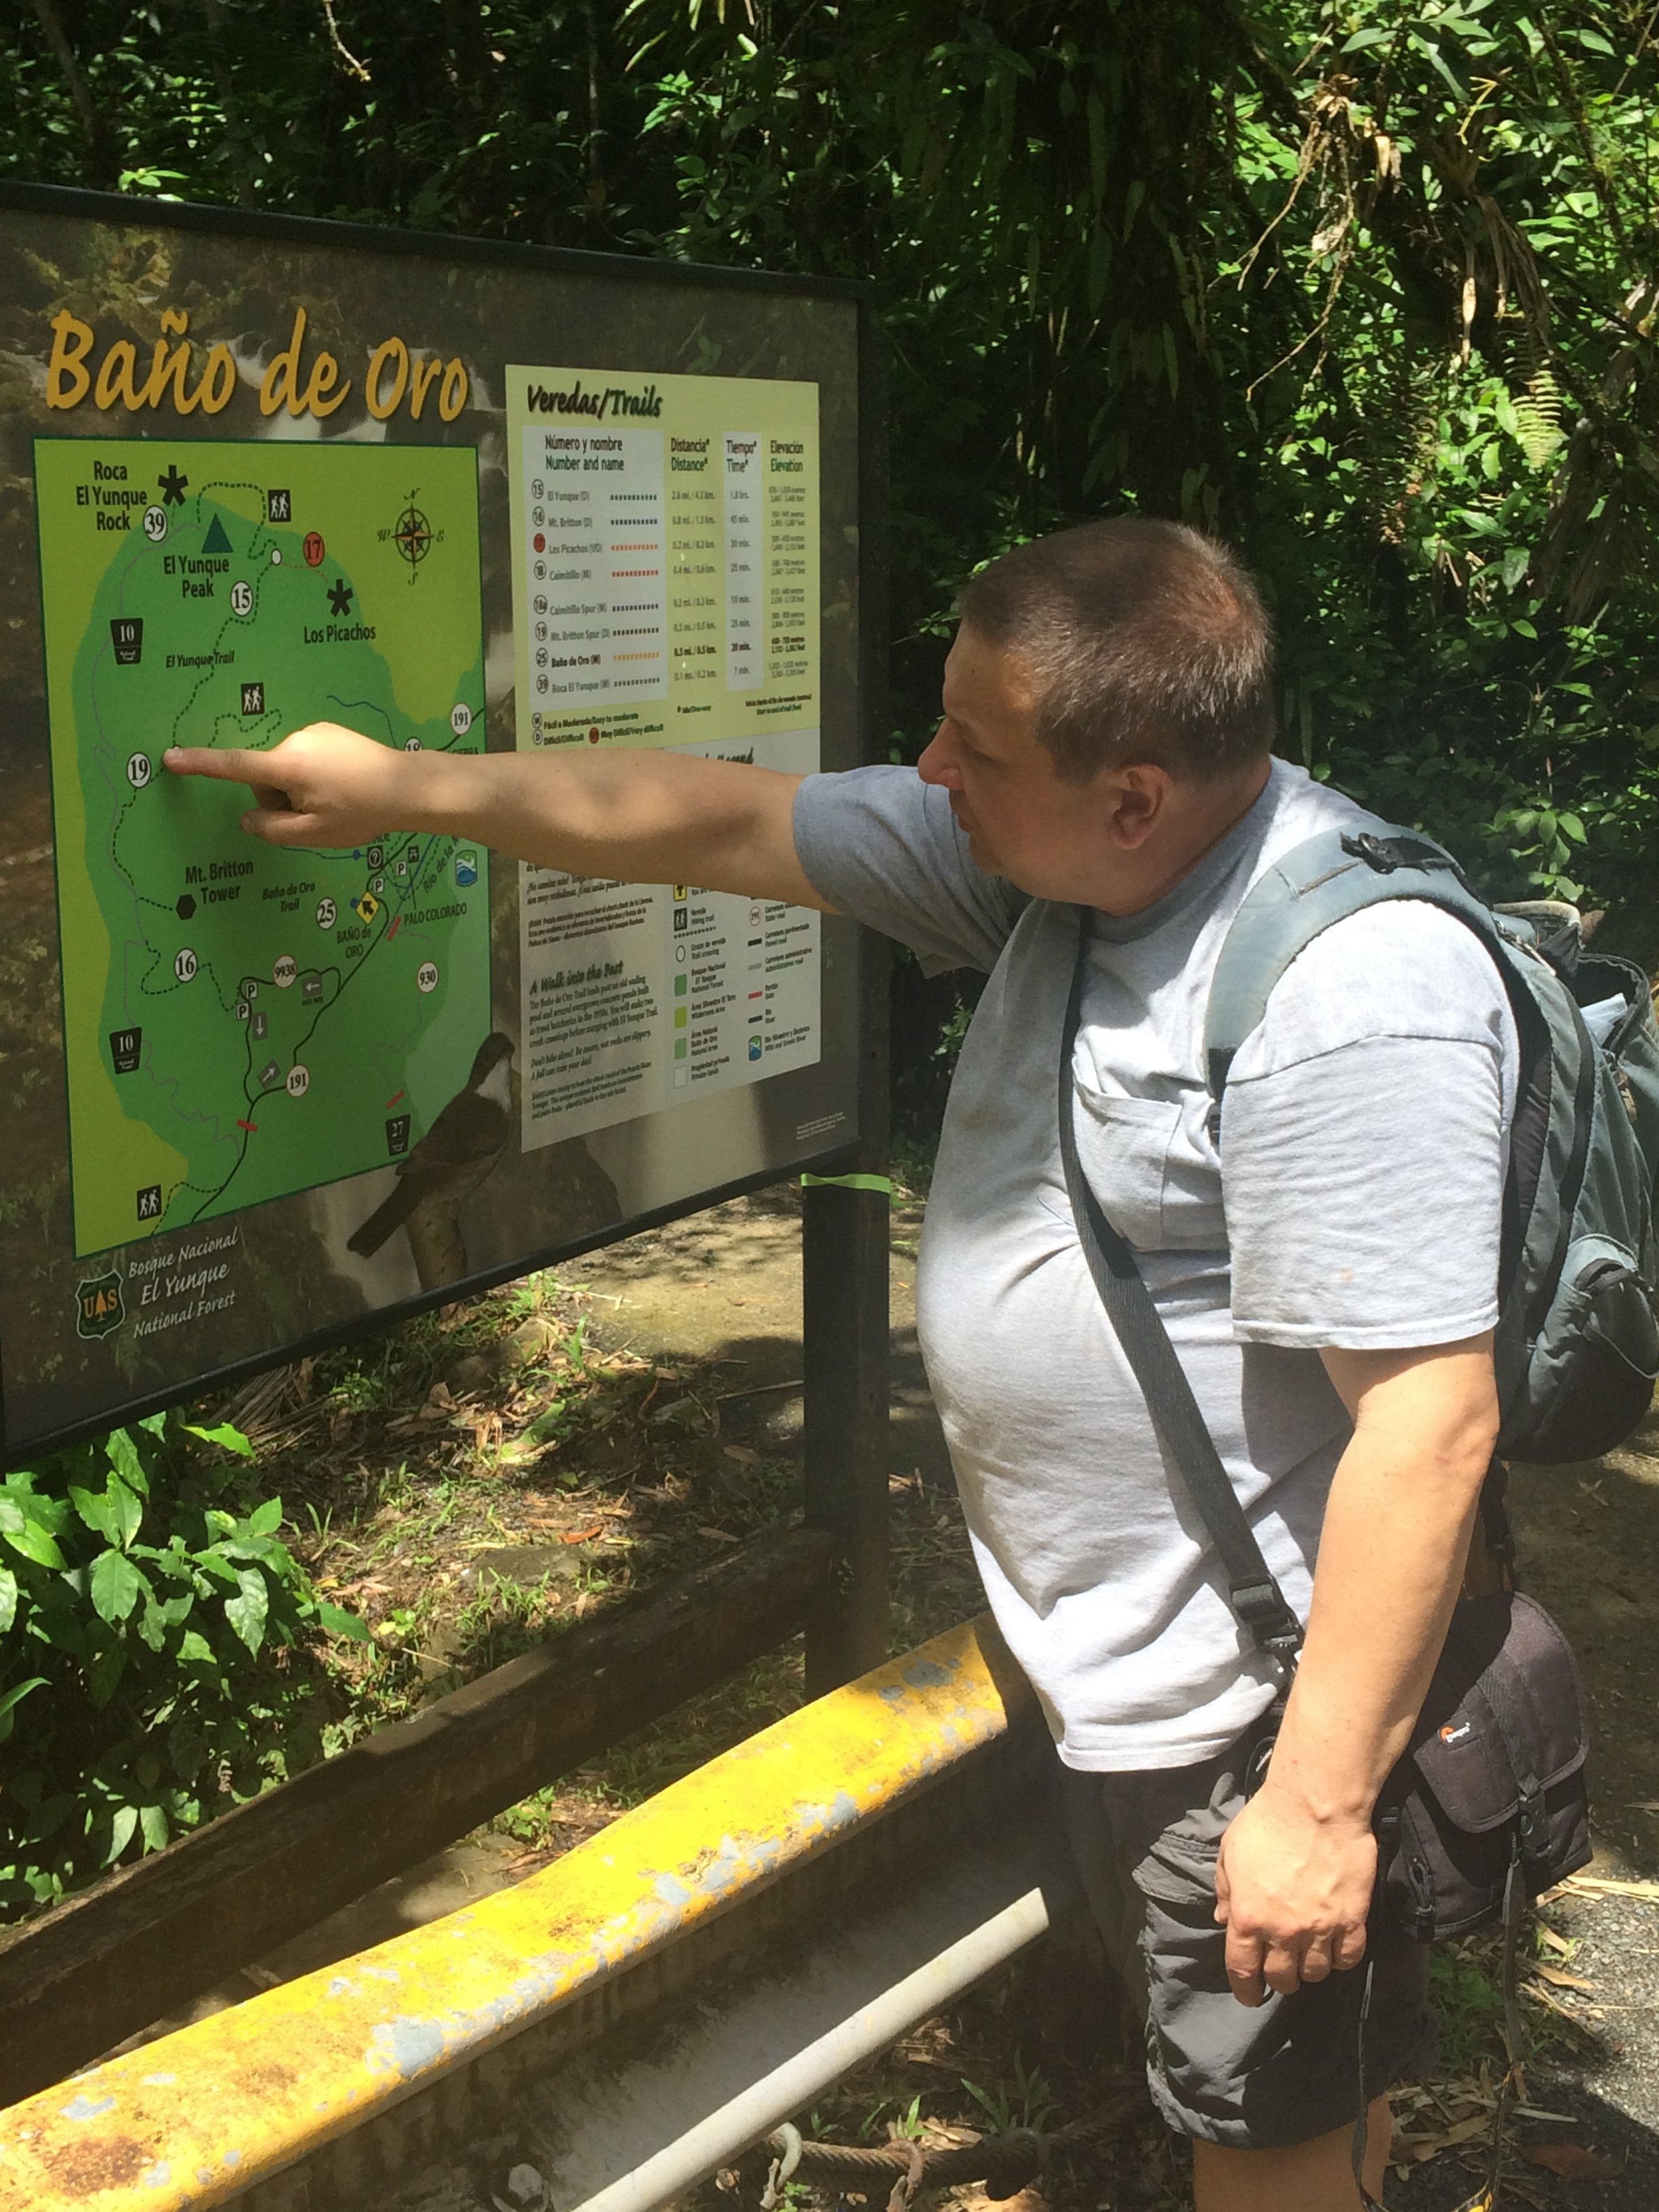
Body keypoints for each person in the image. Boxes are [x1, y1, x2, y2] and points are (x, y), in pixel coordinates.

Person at [168, 518, 1511, 2211]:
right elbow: (726, 818)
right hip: (1115, 1669)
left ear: (1133, 797)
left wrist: (1313, 1812)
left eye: (977, 748)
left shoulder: (1350, 996)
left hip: (1246, 1708)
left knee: (1274, 2153)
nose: (933, 769)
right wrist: (399, 788)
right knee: (1298, 2117)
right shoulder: (1058, 861)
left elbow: (1430, 1427)